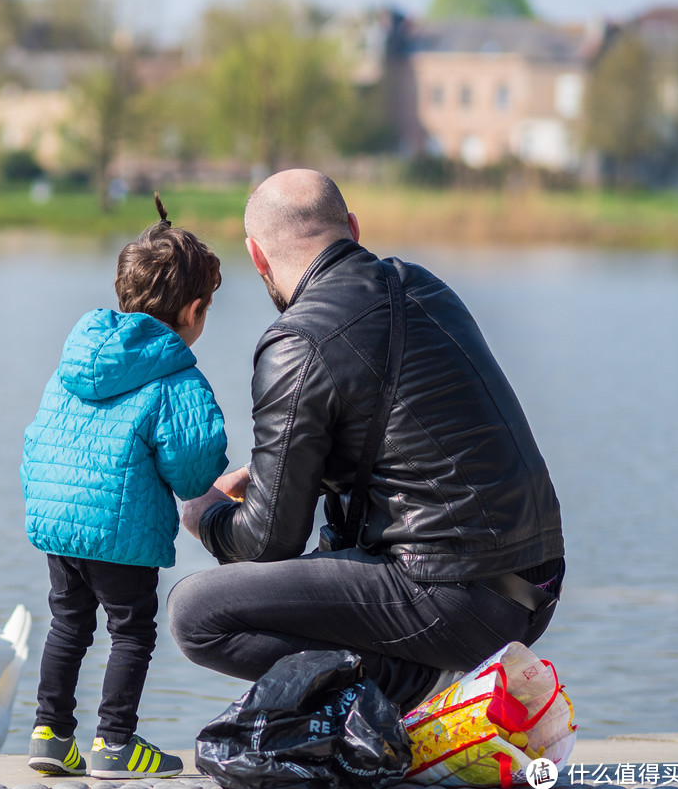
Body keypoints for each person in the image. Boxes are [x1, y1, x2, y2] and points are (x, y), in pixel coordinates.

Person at [171, 169, 565, 713]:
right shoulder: (424, 285)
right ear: (353, 228)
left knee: (196, 612)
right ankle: (416, 685)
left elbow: (268, 544)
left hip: (457, 600)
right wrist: (282, 476)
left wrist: (205, 515)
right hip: (534, 588)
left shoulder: (296, 339)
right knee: (330, 544)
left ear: (256, 256)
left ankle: (415, 690)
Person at [20, 195, 228, 779]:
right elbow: (191, 472)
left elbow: (42, 436)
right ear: (193, 310)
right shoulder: (173, 374)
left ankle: (50, 735)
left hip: (59, 521)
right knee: (131, 630)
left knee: (68, 623)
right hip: (121, 529)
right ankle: (115, 741)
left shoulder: (78, 356)